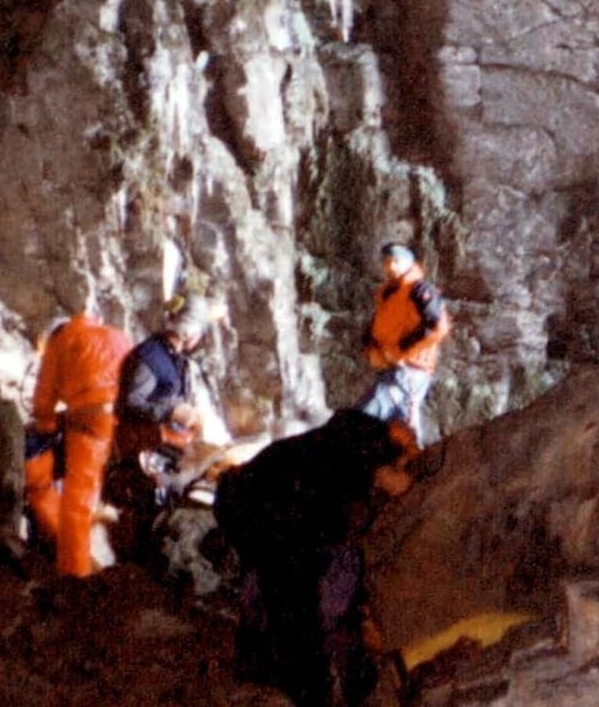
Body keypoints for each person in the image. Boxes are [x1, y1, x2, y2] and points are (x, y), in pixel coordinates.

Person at [214, 410, 420, 705]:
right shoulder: (304, 507)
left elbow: (349, 432)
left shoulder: (333, 454)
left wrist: (390, 443)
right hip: (278, 532)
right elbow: (300, 606)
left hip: (274, 521)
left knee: (311, 594)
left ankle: (284, 668)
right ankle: (278, 673)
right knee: (296, 606)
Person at [110, 294, 225, 555]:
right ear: (189, 332)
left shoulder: (173, 355)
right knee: (148, 513)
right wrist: (172, 410)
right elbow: (129, 403)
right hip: (142, 449)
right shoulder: (150, 358)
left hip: (165, 445)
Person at [24, 311, 134, 577]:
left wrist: (45, 430)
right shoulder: (116, 335)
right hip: (127, 422)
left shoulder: (61, 341)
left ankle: (73, 575)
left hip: (91, 421)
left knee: (78, 499)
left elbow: (43, 399)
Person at [357, 242, 450, 439]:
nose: (390, 267)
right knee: (393, 426)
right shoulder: (388, 294)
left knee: (377, 416)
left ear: (408, 263)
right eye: (387, 262)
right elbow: (376, 327)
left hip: (410, 370)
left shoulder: (419, 290)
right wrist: (371, 350)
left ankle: (417, 464)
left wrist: (401, 351)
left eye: (395, 261)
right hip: (389, 367)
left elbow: (437, 327)